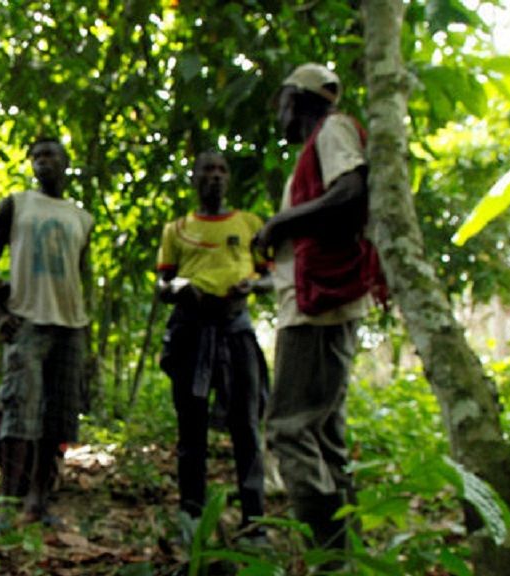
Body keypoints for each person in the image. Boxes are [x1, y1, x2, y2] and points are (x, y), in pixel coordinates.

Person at [254, 63, 382, 553]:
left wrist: (279, 223)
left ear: (299, 99)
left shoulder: (332, 130)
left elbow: (350, 192)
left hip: (317, 309)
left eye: (281, 104)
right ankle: (347, 553)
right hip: (310, 301)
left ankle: (329, 556)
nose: (279, 116)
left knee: (289, 428)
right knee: (324, 432)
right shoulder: (316, 148)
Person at [156, 150, 271, 543]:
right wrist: (183, 288)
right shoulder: (177, 229)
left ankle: (254, 522)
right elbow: (162, 285)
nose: (215, 177)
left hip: (236, 329)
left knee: (247, 427)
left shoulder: (249, 224)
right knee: (191, 428)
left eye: (222, 170)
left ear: (229, 179)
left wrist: (251, 286)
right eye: (207, 169)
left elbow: (271, 275)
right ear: (194, 177)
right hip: (191, 331)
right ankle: (192, 518)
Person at [0, 137, 93, 525]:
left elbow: (83, 276)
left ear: (65, 163)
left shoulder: (82, 217)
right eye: (37, 156)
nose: (44, 161)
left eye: (51, 155)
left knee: (58, 417)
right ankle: (7, 506)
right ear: (31, 164)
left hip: (70, 328)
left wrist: (86, 329)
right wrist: (0, 311)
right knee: (19, 409)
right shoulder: (16, 204)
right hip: (27, 321)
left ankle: (38, 502)